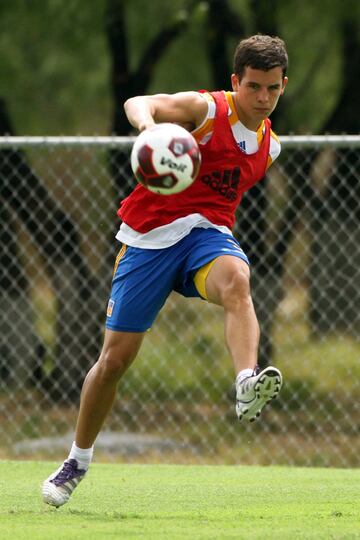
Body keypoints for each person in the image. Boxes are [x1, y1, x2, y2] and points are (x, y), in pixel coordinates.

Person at [42, 34, 288, 507]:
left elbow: (218, 198)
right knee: (114, 362)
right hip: (147, 241)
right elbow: (139, 102)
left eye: (272, 89)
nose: (262, 99)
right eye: (253, 86)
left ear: (282, 86)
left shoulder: (269, 148)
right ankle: (78, 459)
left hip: (204, 238)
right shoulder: (206, 110)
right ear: (235, 81)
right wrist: (151, 130)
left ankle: (245, 384)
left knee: (238, 279)